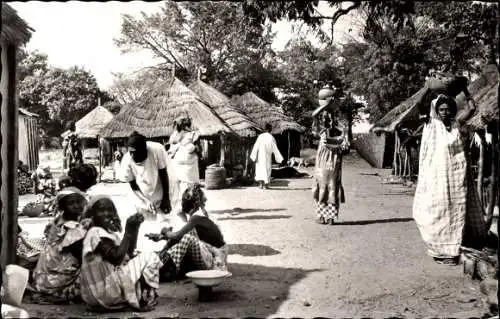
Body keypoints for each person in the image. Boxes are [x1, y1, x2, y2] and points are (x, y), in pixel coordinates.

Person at [413, 94, 487, 265]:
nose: (445, 112)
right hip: (438, 178)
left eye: (447, 109)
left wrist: (465, 91)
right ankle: (441, 251)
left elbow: (471, 109)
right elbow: (420, 106)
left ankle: (455, 249)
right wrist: (428, 89)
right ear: (436, 112)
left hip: (457, 176)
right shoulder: (431, 124)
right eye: (441, 109)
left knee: (457, 210)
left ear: (452, 111)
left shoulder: (456, 124)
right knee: (439, 210)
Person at [79, 196, 163, 311]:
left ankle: (142, 295)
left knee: (141, 257)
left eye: (110, 210)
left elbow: (128, 252)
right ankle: (146, 297)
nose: (106, 213)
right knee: (151, 256)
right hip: (106, 291)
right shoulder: (95, 233)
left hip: (102, 292)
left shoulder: (106, 232)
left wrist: (134, 228)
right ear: (93, 214)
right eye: (101, 210)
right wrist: (128, 230)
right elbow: (117, 259)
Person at [146, 184, 228, 282]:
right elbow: (179, 234)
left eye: (184, 202)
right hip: (214, 256)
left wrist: (165, 231)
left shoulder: (196, 218)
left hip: (216, 263)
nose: (182, 204)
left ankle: (161, 270)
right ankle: (163, 262)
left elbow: (177, 236)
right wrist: (163, 236)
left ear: (192, 205)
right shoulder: (199, 216)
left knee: (187, 239)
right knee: (186, 235)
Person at [31, 187, 90, 304]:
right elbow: (83, 255)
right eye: (71, 203)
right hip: (53, 284)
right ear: (63, 207)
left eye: (78, 202)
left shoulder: (56, 222)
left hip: (41, 280)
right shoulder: (72, 228)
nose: (76, 206)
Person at [311, 87, 350, 225]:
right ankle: (324, 216)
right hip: (325, 158)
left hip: (333, 158)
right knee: (324, 184)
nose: (329, 118)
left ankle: (330, 217)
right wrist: (326, 105)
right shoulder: (321, 129)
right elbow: (314, 116)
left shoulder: (340, 127)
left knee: (331, 185)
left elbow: (345, 145)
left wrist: (327, 105)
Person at [121, 131, 171, 221]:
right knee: (145, 221)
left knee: (163, 220)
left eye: (134, 152)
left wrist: (166, 198)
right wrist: (146, 201)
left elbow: (163, 174)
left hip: (160, 189)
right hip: (141, 194)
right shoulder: (127, 159)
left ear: (143, 150)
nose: (131, 155)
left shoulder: (157, 150)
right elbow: (133, 185)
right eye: (130, 152)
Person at [167, 115, 201, 212]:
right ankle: (189, 206)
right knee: (189, 186)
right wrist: (194, 148)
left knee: (177, 186)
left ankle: (179, 207)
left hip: (178, 162)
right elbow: (198, 149)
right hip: (187, 163)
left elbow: (171, 145)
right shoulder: (193, 134)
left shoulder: (175, 135)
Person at [250, 123, 284, 189]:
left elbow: (255, 147)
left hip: (260, 156)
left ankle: (260, 185)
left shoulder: (260, 136)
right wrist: (278, 158)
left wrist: (254, 156)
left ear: (265, 129)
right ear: (270, 129)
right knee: (267, 169)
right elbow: (275, 148)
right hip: (267, 156)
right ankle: (266, 185)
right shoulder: (271, 137)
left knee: (260, 170)